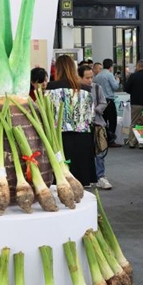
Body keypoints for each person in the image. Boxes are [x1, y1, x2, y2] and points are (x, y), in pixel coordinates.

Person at [47, 56, 97, 187]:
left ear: (57, 69)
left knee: (61, 178)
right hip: (83, 137)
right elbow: (91, 116)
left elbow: (46, 114)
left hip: (58, 138)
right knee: (81, 177)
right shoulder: (86, 89)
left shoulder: (50, 88)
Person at [79, 65, 112, 190]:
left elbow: (103, 103)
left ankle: (101, 177)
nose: (90, 80)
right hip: (82, 126)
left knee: (100, 151)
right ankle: (86, 177)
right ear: (80, 77)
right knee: (85, 153)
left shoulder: (97, 88)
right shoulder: (76, 90)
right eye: (87, 78)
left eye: (91, 77)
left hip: (97, 124)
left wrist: (95, 110)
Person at [125, 59, 143, 149]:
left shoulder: (133, 76)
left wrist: (133, 92)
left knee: (134, 122)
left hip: (135, 103)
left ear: (138, 66)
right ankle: (142, 143)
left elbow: (127, 88)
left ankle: (132, 142)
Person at [94, 58, 121, 147]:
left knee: (103, 121)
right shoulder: (109, 75)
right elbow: (115, 87)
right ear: (111, 66)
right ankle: (111, 140)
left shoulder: (97, 76)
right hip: (109, 100)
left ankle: (103, 139)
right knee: (112, 120)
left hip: (100, 102)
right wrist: (117, 80)